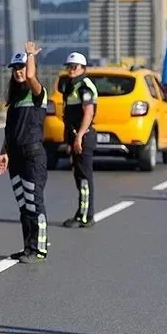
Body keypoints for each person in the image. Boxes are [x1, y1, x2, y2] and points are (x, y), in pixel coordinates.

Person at [0, 42, 49, 264]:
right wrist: (3, 153)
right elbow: (10, 131)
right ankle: (28, 247)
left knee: (34, 202)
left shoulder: (37, 93)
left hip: (33, 156)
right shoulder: (15, 100)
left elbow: (30, 78)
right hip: (16, 157)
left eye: (22, 67)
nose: (19, 72)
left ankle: (40, 249)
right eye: (15, 68)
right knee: (23, 204)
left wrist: (30, 56)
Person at [59, 52, 98, 228]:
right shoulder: (71, 86)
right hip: (75, 135)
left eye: (74, 67)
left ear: (83, 68)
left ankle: (85, 215)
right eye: (69, 66)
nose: (71, 70)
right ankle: (82, 212)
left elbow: (88, 113)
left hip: (83, 135)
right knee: (79, 175)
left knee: (84, 177)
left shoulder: (84, 87)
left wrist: (80, 136)